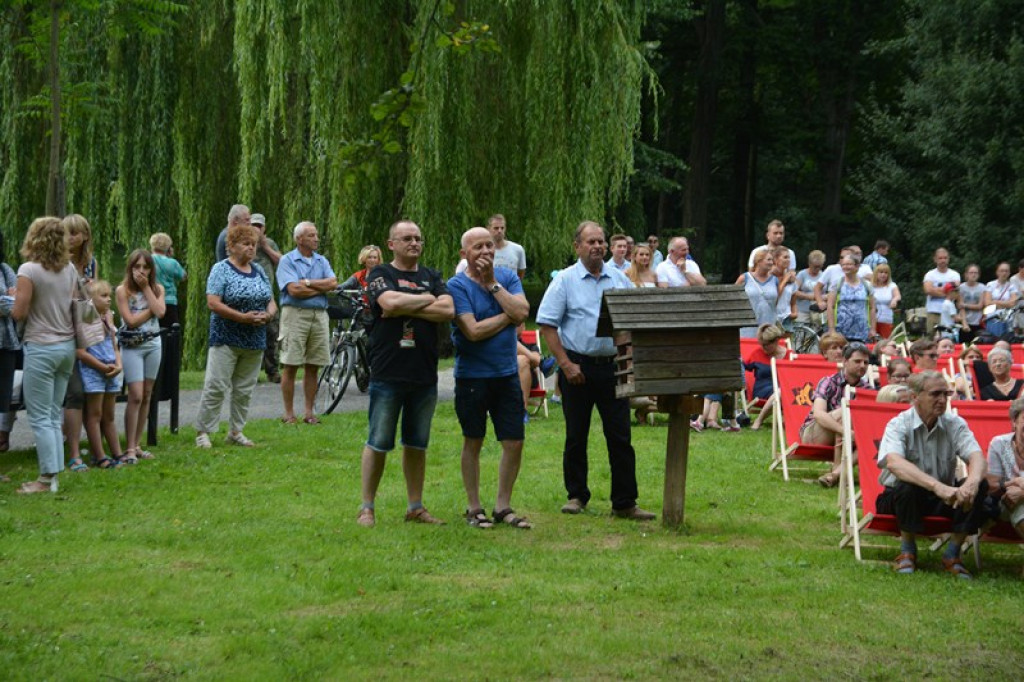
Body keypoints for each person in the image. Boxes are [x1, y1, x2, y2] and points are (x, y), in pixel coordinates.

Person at [537, 220, 655, 521]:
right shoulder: (564, 280)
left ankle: (625, 502)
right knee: (576, 435)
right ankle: (577, 496)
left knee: (621, 436)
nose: (598, 246)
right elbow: (547, 324)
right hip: (577, 367)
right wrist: (565, 364)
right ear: (577, 246)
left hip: (612, 367)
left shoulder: (619, 280)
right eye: (591, 242)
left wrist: (628, 361)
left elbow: (631, 324)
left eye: (601, 241)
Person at [357, 220, 453, 527]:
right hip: (388, 371)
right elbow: (388, 302)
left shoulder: (431, 275)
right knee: (379, 441)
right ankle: (367, 507)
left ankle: (415, 507)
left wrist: (406, 305)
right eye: (407, 238)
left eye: (418, 239)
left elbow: (448, 310)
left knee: (417, 443)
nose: (414, 243)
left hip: (424, 373)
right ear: (391, 244)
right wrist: (427, 300)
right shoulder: (380, 274)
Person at [448, 227, 532, 529]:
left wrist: (493, 285)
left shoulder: (507, 278)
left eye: (489, 245)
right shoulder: (456, 286)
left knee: (514, 441)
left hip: (507, 374)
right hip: (472, 376)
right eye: (477, 247)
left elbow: (523, 311)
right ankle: (474, 507)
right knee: (473, 440)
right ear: (464, 254)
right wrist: (508, 317)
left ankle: (502, 506)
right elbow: (473, 331)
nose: (485, 251)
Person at [876, 371, 989, 579]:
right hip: (899, 498)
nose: (942, 400)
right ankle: (907, 551)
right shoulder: (898, 424)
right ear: (915, 396)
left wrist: (971, 483)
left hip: (941, 497)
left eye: (946, 394)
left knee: (979, 486)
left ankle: (952, 554)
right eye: (935, 394)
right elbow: (894, 462)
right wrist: (938, 486)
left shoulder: (954, 423)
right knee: (906, 485)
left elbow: (977, 457)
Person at [194, 224, 277, 449]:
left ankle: (236, 431)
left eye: (253, 244)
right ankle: (203, 431)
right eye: (246, 244)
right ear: (231, 246)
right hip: (226, 337)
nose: (251, 248)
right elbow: (213, 302)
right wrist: (242, 317)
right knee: (216, 384)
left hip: (254, 339)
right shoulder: (221, 269)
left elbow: (271, 300)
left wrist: (268, 316)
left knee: (244, 389)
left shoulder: (258, 270)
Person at [11, 217, 78, 493]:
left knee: (38, 415)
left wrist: (13, 297)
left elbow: (20, 312)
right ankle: (54, 475)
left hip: (40, 346)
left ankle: (46, 477)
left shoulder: (28, 269)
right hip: (66, 347)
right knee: (52, 413)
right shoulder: (70, 268)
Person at [276, 221, 337, 425]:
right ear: (299, 239)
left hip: (319, 315)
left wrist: (308, 283)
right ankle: (288, 413)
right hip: (295, 314)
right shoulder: (287, 261)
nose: (316, 239)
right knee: (291, 363)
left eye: (316, 235)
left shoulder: (322, 261)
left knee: (314, 365)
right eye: (311, 235)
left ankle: (309, 413)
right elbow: (293, 290)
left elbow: (333, 283)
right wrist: (321, 289)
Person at [116, 249, 166, 463]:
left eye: (146, 267)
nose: (141, 271)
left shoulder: (157, 288)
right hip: (132, 346)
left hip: (153, 344)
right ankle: (128, 448)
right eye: (137, 267)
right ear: (130, 268)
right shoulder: (122, 291)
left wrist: (147, 289)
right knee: (135, 394)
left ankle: (136, 445)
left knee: (146, 394)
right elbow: (131, 321)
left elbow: (162, 312)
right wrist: (152, 309)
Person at [800, 342, 871, 488]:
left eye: (866, 362)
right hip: (814, 434)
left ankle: (836, 474)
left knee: (868, 439)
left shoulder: (868, 389)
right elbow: (818, 414)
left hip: (848, 436)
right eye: (857, 361)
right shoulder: (828, 382)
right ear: (845, 362)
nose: (862, 365)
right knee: (846, 411)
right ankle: (838, 470)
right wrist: (845, 431)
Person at [74, 280, 124, 469]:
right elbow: (81, 352)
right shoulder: (85, 321)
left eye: (109, 295)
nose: (109, 299)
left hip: (111, 370)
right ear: (90, 300)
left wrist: (118, 365)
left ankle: (117, 452)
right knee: (94, 414)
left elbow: (114, 345)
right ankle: (100, 455)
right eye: (103, 296)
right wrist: (102, 368)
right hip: (94, 372)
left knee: (109, 416)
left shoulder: (108, 318)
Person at [61, 214, 96, 475]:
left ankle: (80, 445)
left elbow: (90, 304)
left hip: (82, 329)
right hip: (60, 329)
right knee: (72, 390)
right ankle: (70, 450)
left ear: (85, 235)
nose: (71, 237)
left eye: (76, 232)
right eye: (67, 232)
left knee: (82, 390)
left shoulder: (90, 263)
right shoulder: (57, 262)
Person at [984, 397, 1024, 541]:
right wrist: (1016, 485)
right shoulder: (1000, 444)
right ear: (1014, 422)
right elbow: (992, 485)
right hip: (1005, 503)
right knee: (1017, 502)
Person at [249, 214, 283, 383]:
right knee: (251, 334)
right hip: (248, 297)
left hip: (268, 296)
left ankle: (272, 370)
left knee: (272, 333)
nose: (256, 228)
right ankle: (250, 372)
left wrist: (264, 245)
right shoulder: (245, 243)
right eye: (253, 225)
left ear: (264, 228)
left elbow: (282, 262)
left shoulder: (269, 243)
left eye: (259, 226)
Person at [0, 232, 22, 457]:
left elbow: (17, 306)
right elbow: (9, 302)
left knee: (2, 400)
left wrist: (9, 301)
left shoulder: (5, 269)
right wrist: (8, 299)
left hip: (6, 342)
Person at [742, 323, 787, 431]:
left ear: (776, 340)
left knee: (783, 391)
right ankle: (759, 420)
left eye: (766, 344)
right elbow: (743, 366)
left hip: (783, 390)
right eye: (762, 344)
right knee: (780, 392)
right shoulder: (757, 353)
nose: (763, 347)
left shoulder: (789, 355)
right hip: (762, 391)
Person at [827, 254, 875, 343]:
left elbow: (872, 308)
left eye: (849, 264)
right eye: (844, 264)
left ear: (857, 266)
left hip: (863, 332)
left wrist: (872, 329)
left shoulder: (867, 285)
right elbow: (830, 307)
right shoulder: (837, 284)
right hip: (840, 332)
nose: (845, 267)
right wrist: (832, 330)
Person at [736, 250, 778, 338]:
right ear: (759, 261)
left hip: (768, 325)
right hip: (747, 325)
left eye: (772, 260)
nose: (771, 263)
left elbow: (778, 302)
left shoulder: (775, 280)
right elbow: (734, 298)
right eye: (768, 260)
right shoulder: (744, 278)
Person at [149, 232, 187, 328]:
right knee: (171, 334)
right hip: (170, 302)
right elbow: (183, 276)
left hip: (152, 301)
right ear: (168, 247)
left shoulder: (148, 260)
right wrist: (169, 258)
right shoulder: (172, 263)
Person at [922, 247, 960, 334]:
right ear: (935, 259)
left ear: (948, 259)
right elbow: (928, 290)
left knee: (948, 336)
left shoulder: (954, 274)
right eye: (940, 258)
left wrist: (935, 290)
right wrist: (947, 290)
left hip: (949, 312)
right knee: (931, 337)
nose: (943, 260)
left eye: (945, 258)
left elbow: (955, 291)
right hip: (933, 311)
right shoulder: (930, 274)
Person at [983, 261, 1019, 340]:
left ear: (1009, 273)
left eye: (1006, 271)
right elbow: (987, 303)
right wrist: (1006, 303)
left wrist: (995, 302)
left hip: (1007, 321)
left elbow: (1013, 304)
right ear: (997, 272)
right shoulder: (990, 285)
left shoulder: (1012, 286)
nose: (1004, 273)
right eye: (1002, 271)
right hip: (993, 319)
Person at [794, 250, 826, 323]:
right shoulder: (802, 274)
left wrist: (822, 297)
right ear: (809, 264)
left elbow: (830, 293)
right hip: (802, 311)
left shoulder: (824, 275)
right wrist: (810, 297)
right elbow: (794, 291)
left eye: (819, 267)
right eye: (815, 267)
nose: (817, 269)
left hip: (818, 312)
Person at [871, 264, 900, 339]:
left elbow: (898, 296)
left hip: (886, 318)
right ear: (876, 273)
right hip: (872, 319)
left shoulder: (892, 285)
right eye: (881, 272)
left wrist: (894, 300)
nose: (883, 275)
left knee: (886, 341)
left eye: (886, 272)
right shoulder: (870, 286)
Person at [958, 264, 985, 344]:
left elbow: (980, 306)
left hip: (978, 322)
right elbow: (960, 306)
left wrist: (965, 305)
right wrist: (964, 322)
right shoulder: (961, 287)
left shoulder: (982, 287)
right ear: (966, 274)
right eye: (971, 272)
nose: (973, 275)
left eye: (976, 273)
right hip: (965, 321)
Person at [772, 246, 797, 328]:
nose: (788, 260)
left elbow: (793, 300)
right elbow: (774, 296)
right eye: (785, 257)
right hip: (773, 317)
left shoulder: (791, 277)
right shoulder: (770, 277)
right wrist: (784, 281)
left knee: (786, 341)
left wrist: (794, 313)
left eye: (789, 257)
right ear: (776, 259)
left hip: (787, 317)